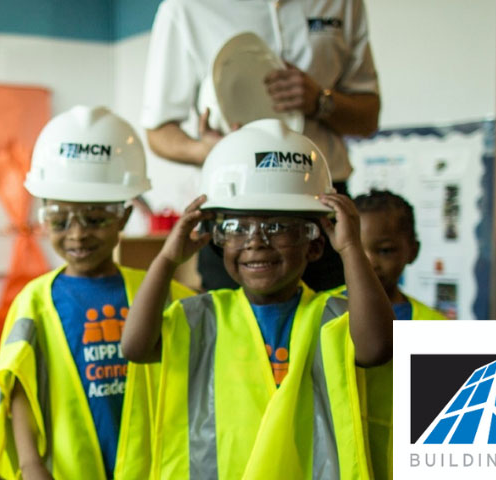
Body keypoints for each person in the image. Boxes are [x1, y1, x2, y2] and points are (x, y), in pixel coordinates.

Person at [121, 119, 393, 479]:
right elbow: (135, 347)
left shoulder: (332, 317)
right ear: (218, 239)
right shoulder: (202, 317)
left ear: (314, 244)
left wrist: (351, 248)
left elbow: (377, 349)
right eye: (236, 228)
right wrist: (168, 258)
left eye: (277, 227)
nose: (255, 242)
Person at [0, 106, 194, 480]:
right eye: (60, 221)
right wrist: (31, 463)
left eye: (96, 219)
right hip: (70, 470)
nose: (78, 234)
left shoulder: (163, 294)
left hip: (152, 468)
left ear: (123, 218)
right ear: (44, 219)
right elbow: (18, 388)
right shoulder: (33, 302)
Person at [140, 0, 381, 293]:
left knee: (337, 316)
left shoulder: (342, 3)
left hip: (321, 202)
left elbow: (369, 117)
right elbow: (158, 132)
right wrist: (211, 152)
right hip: (232, 204)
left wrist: (320, 100)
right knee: (230, 319)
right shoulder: (185, 7)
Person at [348, 189, 448, 480]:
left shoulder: (435, 327)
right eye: (358, 250)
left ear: (412, 251)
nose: (369, 262)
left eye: (385, 250)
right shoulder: (324, 311)